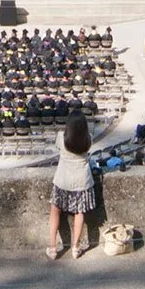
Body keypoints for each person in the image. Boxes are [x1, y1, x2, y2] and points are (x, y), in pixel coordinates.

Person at [48, 111, 96, 260]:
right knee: (79, 213)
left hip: (63, 179)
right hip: (82, 180)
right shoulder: (89, 139)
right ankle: (75, 247)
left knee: (55, 211)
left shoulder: (61, 138)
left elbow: (60, 147)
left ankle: (53, 247)